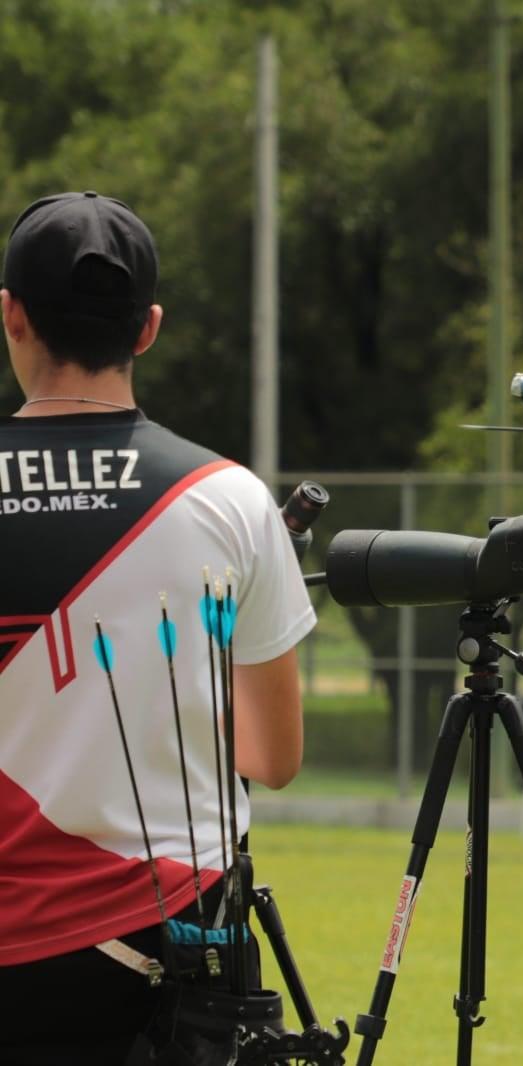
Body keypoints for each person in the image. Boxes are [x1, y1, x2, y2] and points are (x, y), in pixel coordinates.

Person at [0, 192, 316, 1064]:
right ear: (148, 328)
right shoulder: (228, 499)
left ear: (11, 315)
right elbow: (273, 759)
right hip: (170, 954)